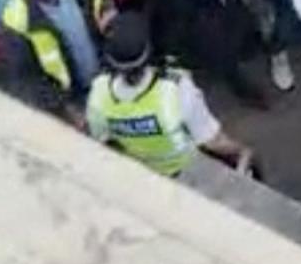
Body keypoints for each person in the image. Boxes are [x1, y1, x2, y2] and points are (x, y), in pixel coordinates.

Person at [86, 10, 250, 176]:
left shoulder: (98, 94)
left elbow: (101, 137)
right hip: (185, 168)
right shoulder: (175, 90)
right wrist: (242, 151)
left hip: (145, 169)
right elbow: (211, 140)